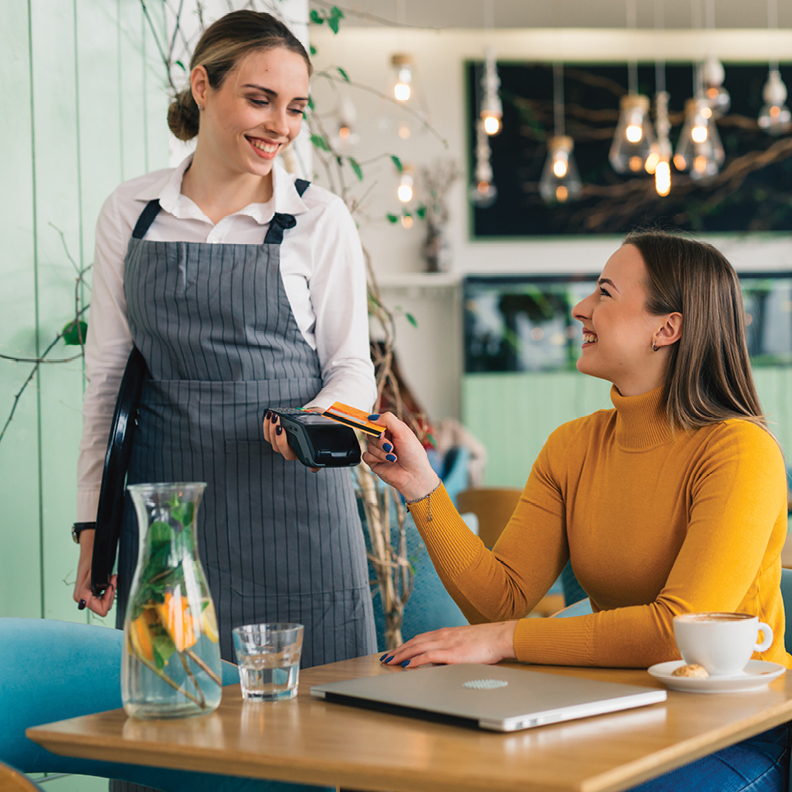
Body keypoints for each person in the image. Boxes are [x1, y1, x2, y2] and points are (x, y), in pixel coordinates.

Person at [362, 231, 791, 791]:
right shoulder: (573, 445)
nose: (579, 308)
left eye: (605, 293)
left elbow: (677, 633)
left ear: (667, 328)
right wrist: (421, 485)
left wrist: (505, 640)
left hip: (733, 732)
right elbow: (500, 599)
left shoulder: (740, 450)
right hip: (613, 715)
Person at [72, 10, 377, 671]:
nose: (281, 127)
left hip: (296, 506)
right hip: (167, 516)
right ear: (203, 87)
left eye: (295, 107)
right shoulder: (132, 212)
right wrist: (93, 529)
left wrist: (312, 422)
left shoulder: (316, 218)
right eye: (260, 100)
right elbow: (107, 380)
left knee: (320, 734)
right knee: (175, 727)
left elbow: (354, 366)